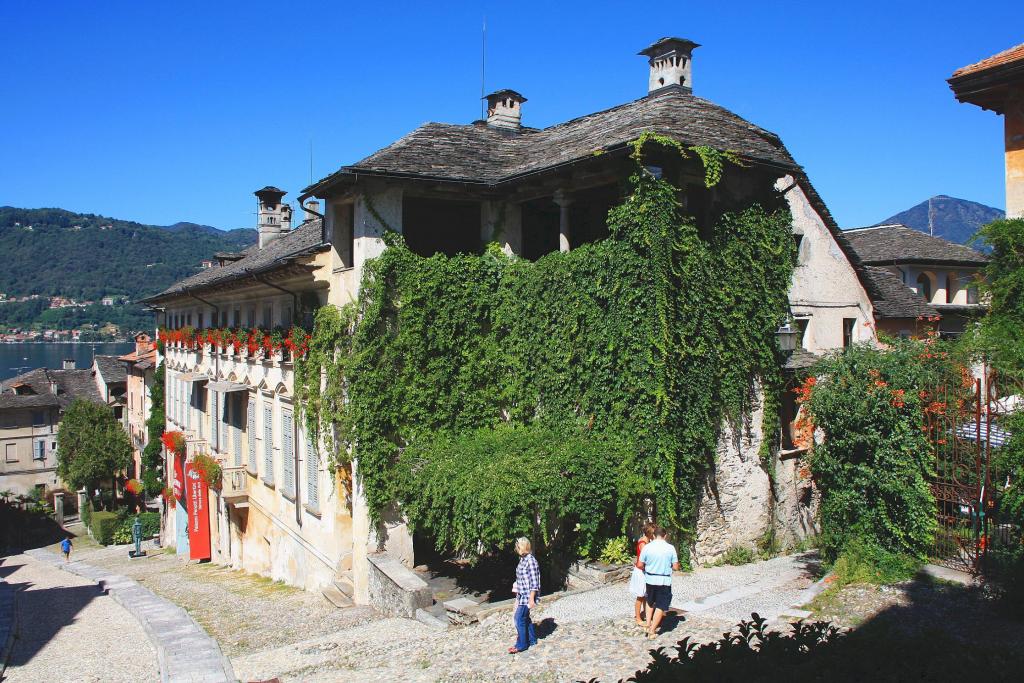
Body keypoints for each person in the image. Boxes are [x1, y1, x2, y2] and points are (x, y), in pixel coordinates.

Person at [637, 526, 680, 640]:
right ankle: (652, 631)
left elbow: (640, 564)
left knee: (650, 602)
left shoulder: (647, 547)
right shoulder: (670, 548)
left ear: (654, 535)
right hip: (664, 580)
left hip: (650, 579)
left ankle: (648, 624)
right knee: (661, 605)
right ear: (665, 536)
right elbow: (676, 567)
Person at [509, 537, 541, 654]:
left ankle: (522, 644)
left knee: (518, 619)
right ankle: (532, 640)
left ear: (522, 547)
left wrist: (531, 598)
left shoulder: (531, 561)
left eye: (518, 546)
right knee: (525, 618)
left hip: (528, 596)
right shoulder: (523, 559)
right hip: (522, 595)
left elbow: (534, 582)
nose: (516, 548)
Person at [629, 523, 656, 626]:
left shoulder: (648, 541)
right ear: (649, 533)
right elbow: (643, 561)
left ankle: (645, 613)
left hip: (645, 570)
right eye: (653, 533)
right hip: (641, 571)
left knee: (646, 595)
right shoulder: (643, 543)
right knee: (640, 596)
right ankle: (638, 618)